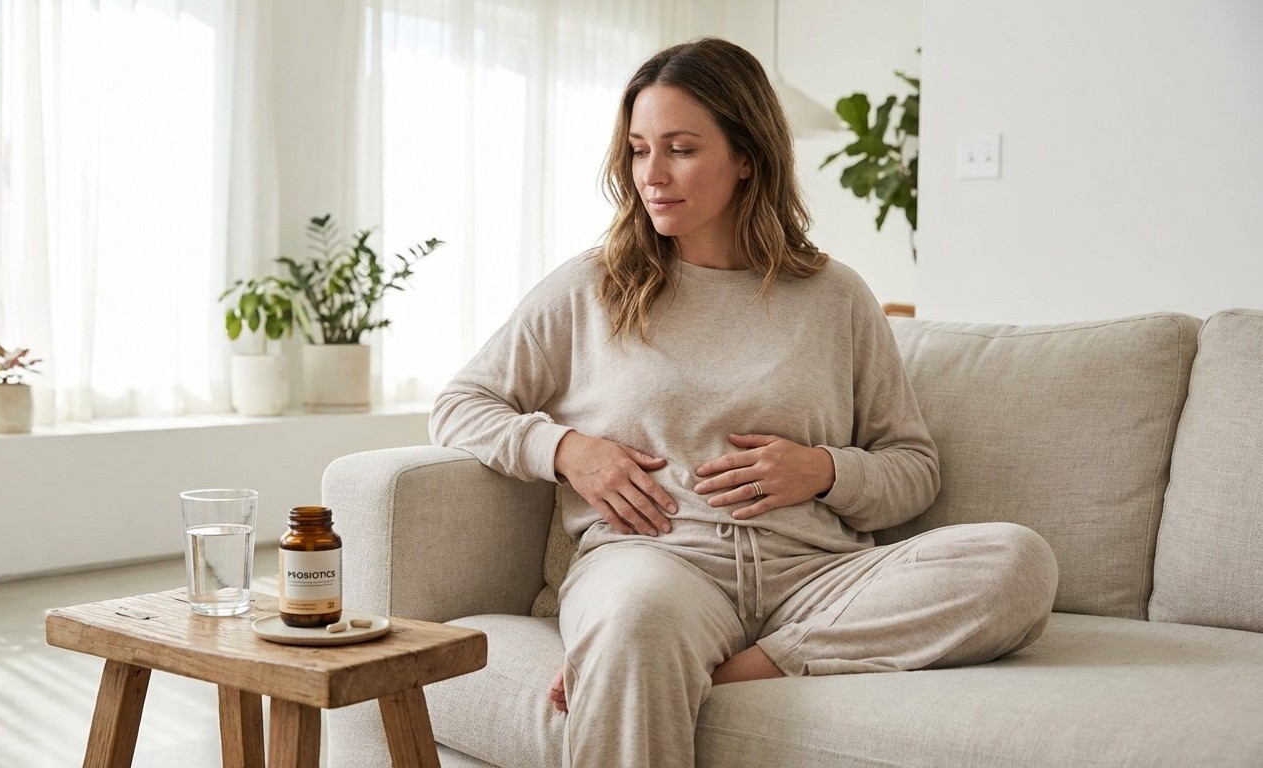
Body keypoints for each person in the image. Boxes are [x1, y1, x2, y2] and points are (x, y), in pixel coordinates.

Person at [430, 37, 1058, 768]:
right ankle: (644, 655)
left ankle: (739, 668)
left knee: (1016, 561)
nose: (651, 175)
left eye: (680, 149)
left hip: (817, 578)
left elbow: (912, 468)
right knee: (635, 619)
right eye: (638, 150)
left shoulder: (835, 297)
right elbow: (460, 404)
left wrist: (824, 471)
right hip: (657, 564)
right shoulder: (593, 287)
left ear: (746, 156)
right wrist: (569, 451)